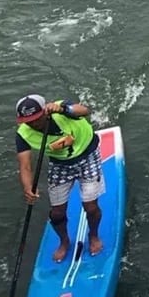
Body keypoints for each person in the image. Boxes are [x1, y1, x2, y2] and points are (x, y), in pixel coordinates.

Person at [13, 95, 105, 262]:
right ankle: (64, 242)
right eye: (28, 121)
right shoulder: (23, 135)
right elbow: (25, 166)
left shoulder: (59, 108)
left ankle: (94, 236)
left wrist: (65, 109)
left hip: (87, 155)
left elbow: (85, 110)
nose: (33, 124)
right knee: (56, 214)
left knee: (90, 207)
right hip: (61, 164)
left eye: (36, 118)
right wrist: (28, 187)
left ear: (44, 111)